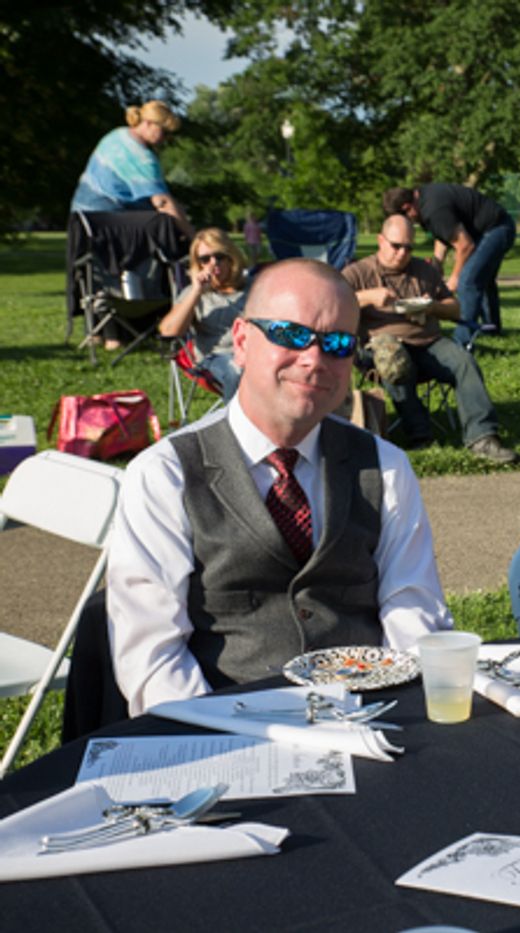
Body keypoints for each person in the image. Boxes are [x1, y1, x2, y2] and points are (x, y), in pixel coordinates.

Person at [107, 259, 453, 715]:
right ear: (242, 341)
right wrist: (222, 736)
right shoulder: (166, 474)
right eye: (290, 335)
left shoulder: (385, 466)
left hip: (364, 717)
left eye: (337, 343)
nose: (314, 359)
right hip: (223, 725)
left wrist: (404, 704)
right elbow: (153, 657)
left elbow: (412, 606)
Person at [342, 215, 519, 464]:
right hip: (381, 348)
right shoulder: (358, 273)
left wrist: (432, 307)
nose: (402, 253)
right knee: (394, 360)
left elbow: (455, 310)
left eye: (409, 247)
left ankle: (483, 437)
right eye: (396, 246)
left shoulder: (424, 271)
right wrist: (367, 297)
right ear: (381, 240)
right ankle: (420, 436)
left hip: (429, 343)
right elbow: (331, 303)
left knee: (464, 362)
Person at [383, 184, 515, 344]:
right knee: (482, 279)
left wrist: (454, 278)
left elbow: (465, 246)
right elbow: (443, 233)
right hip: (488, 228)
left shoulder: (433, 209)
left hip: (497, 228)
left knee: (467, 282)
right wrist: (438, 263)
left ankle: (462, 341)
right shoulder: (424, 199)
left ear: (407, 208)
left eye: (405, 218)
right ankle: (492, 329)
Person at [70, 100, 192, 235]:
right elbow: (164, 203)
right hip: (104, 224)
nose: (166, 138)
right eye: (164, 132)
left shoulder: (116, 135)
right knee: (164, 222)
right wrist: (192, 237)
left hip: (80, 218)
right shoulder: (141, 157)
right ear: (148, 123)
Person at [158, 228, 248, 401]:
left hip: (257, 353)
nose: (213, 263)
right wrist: (196, 291)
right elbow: (168, 332)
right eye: (205, 259)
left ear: (231, 257)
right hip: (218, 357)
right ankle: (238, 417)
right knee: (237, 371)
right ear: (198, 264)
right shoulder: (193, 294)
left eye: (219, 256)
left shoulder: (254, 286)